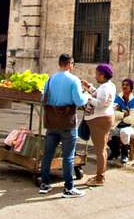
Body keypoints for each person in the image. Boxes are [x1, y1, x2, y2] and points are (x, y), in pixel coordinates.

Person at [39, 53, 88, 197]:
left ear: (59, 63)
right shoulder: (73, 80)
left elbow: (43, 98)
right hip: (67, 122)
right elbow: (79, 101)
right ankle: (68, 188)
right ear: (70, 64)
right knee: (68, 156)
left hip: (52, 122)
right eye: (72, 64)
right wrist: (86, 96)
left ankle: (44, 184)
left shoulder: (50, 79)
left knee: (48, 154)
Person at [83, 63, 117, 186]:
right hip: (102, 118)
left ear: (102, 75)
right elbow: (98, 94)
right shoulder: (107, 86)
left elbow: (100, 103)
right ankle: (99, 175)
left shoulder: (106, 88)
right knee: (101, 148)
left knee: (100, 149)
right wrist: (89, 88)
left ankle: (99, 178)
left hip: (100, 119)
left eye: (97, 73)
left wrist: (87, 97)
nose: (95, 76)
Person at [108, 78, 134, 165]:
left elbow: (133, 119)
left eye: (127, 85)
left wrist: (121, 117)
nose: (124, 86)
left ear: (131, 88)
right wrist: (124, 114)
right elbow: (113, 112)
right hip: (118, 125)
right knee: (106, 131)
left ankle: (124, 154)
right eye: (123, 84)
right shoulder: (118, 98)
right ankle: (115, 151)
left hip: (133, 127)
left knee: (124, 132)